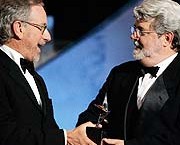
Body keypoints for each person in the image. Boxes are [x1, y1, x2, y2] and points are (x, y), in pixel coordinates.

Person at [76, 0, 180, 145]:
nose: (133, 36)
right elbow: (91, 117)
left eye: (141, 31)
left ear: (167, 39)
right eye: (134, 29)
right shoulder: (120, 74)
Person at [0, 0, 98, 145]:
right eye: (42, 27)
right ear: (19, 28)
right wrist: (67, 138)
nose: (48, 37)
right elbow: (6, 137)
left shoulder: (36, 78)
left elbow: (48, 130)